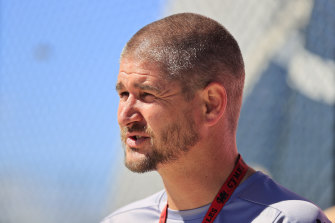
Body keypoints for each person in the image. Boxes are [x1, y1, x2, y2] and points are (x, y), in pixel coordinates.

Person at [102, 13, 330, 223]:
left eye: (147, 94)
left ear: (210, 104)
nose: (125, 115)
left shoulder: (286, 219)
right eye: (123, 94)